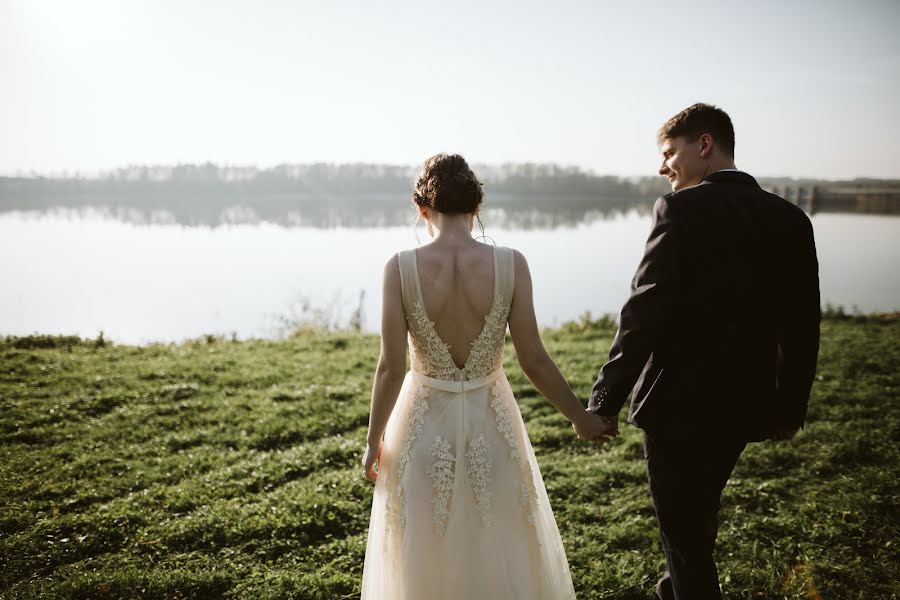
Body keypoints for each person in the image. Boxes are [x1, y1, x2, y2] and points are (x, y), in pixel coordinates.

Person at [588, 103, 821, 599]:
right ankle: (673, 587)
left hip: (678, 406)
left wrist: (604, 401)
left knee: (684, 532)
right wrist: (790, 406)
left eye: (670, 153)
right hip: (748, 402)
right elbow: (803, 325)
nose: (663, 166)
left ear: (705, 145)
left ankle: (683, 588)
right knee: (696, 518)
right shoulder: (791, 218)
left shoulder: (680, 209)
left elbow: (643, 313)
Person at [360, 153, 617, 599]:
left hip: (421, 430)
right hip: (492, 428)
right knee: (502, 547)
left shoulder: (399, 268)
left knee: (422, 554)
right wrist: (578, 416)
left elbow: (391, 367)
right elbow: (533, 359)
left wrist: (372, 441)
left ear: (421, 209)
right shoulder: (511, 264)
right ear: (477, 208)